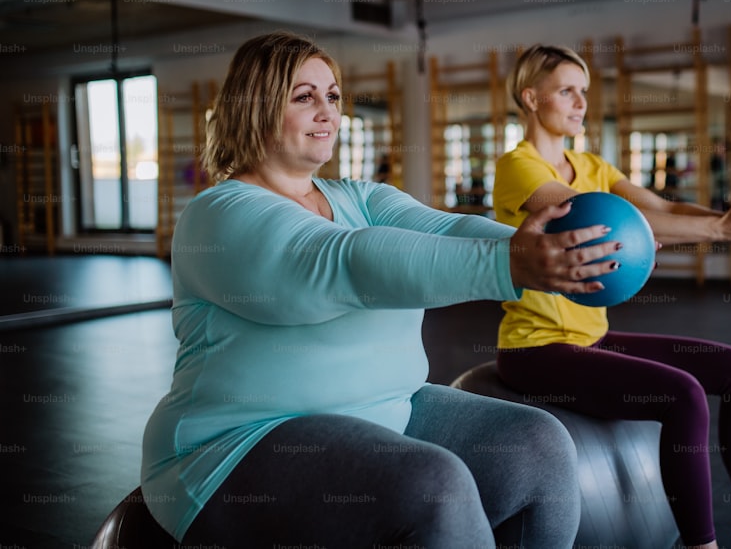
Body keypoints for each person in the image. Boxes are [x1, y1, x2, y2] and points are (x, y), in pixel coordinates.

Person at [141, 32, 622, 548]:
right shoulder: (219, 215)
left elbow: (447, 230)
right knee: (435, 487)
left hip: (388, 409)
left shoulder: (359, 196)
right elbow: (348, 263)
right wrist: (513, 263)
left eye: (332, 96)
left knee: (541, 443)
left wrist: (559, 248)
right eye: (304, 97)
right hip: (237, 444)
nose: (327, 111)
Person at [492, 44, 731, 549]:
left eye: (585, 93)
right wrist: (721, 232)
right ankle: (699, 546)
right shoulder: (518, 167)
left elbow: (660, 206)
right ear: (531, 98)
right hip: (534, 348)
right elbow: (592, 217)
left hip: (591, 336)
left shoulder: (592, 163)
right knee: (682, 395)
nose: (580, 103)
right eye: (567, 91)